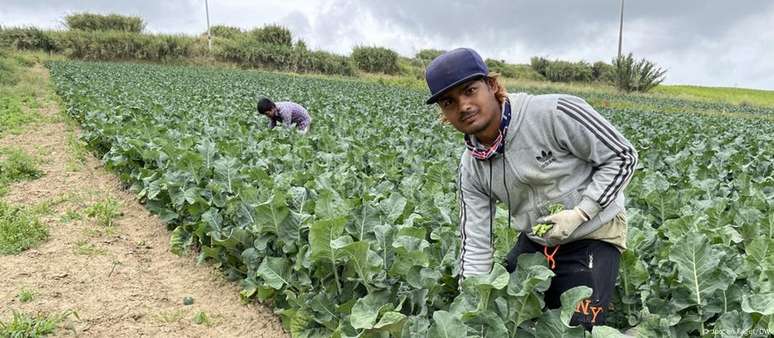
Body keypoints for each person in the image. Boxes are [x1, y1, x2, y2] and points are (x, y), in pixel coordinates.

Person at [424, 48, 638, 331]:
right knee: (505, 314)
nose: (463, 106)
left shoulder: (554, 112)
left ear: (492, 86)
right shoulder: (471, 167)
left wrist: (581, 213)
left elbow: (623, 156)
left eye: (470, 90)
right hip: (537, 241)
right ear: (444, 114)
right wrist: (472, 307)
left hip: (594, 233)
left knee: (577, 328)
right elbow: (475, 241)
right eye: (449, 102)